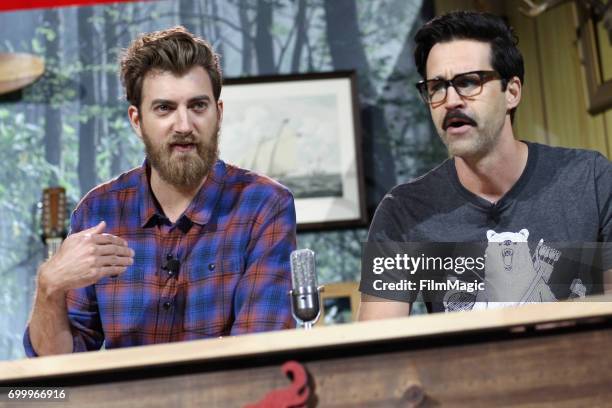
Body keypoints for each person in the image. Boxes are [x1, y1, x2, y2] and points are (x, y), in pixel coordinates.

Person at [24, 26, 297, 356]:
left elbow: (258, 354)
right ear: (137, 121)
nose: (184, 125)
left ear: (218, 113)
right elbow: (59, 365)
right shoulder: (97, 212)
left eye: (197, 106)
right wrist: (49, 286)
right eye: (164, 108)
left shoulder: (264, 205)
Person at [358, 11, 612, 319]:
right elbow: (379, 346)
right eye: (437, 87)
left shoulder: (590, 180)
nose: (450, 100)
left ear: (512, 92)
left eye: (468, 82)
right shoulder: (403, 212)